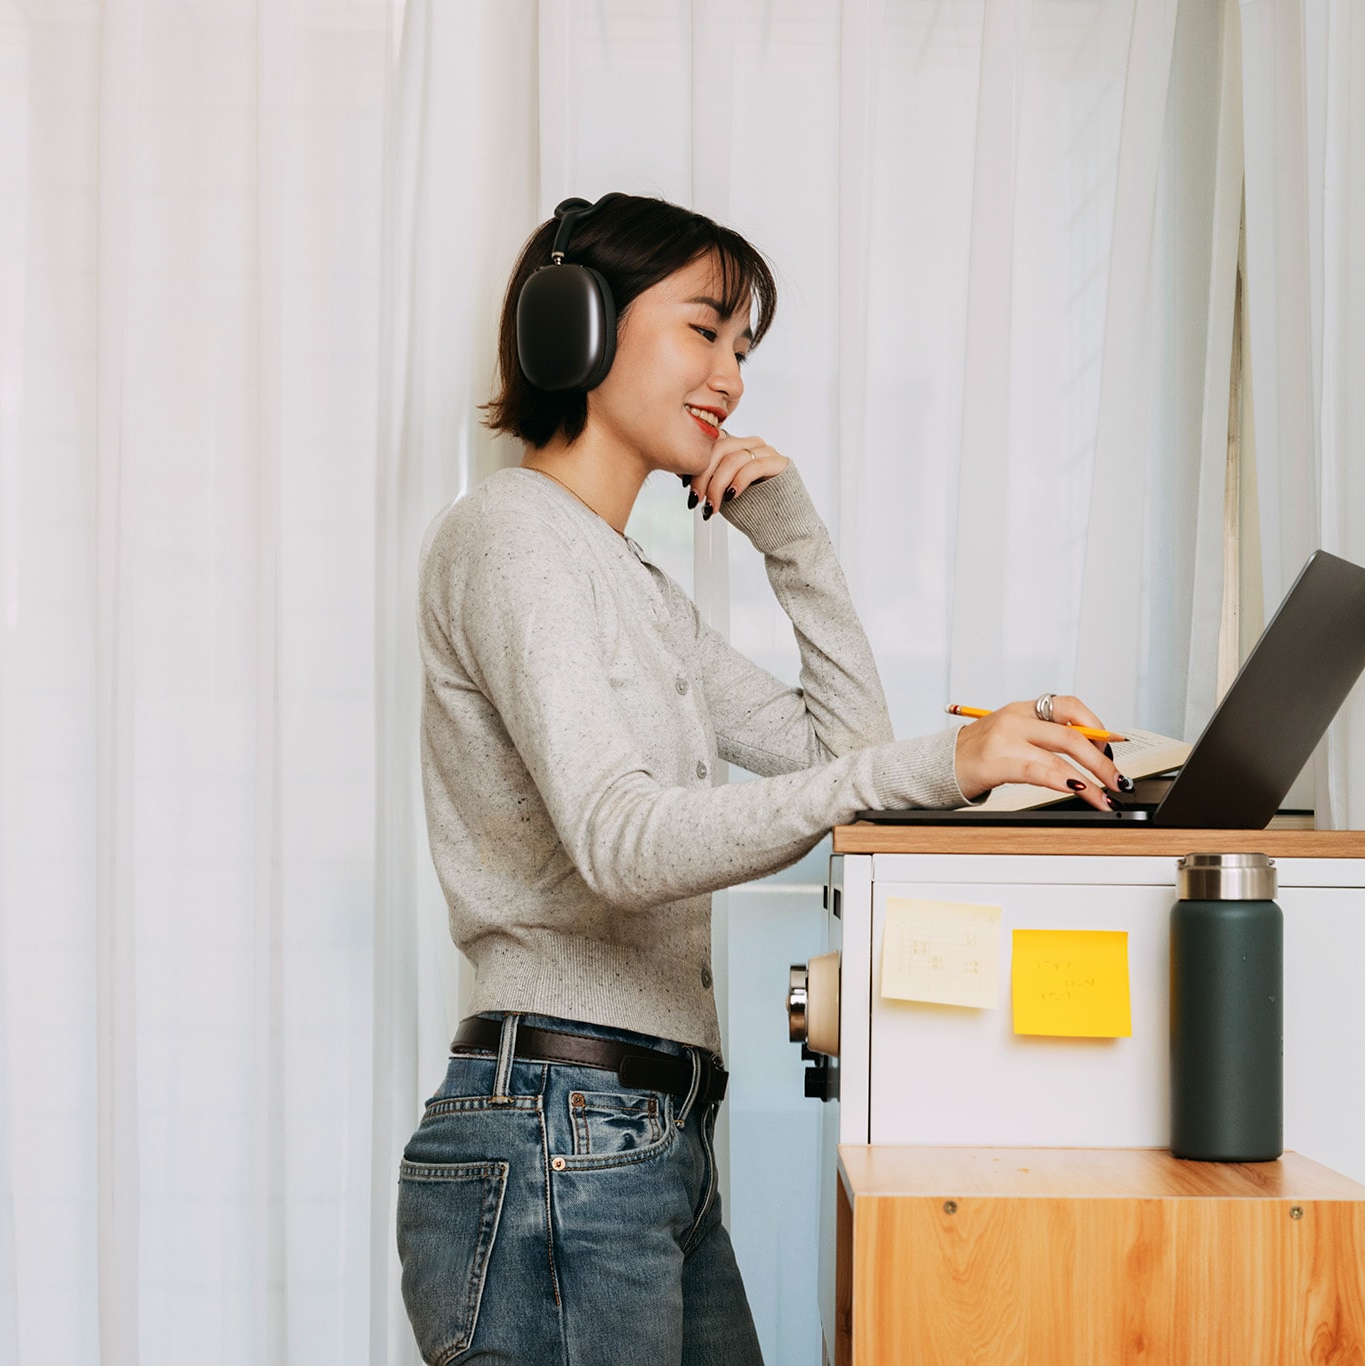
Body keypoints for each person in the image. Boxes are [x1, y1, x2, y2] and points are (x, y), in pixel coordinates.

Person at [397, 193, 1129, 1366]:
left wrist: (787, 530)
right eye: (704, 330)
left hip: (642, 1140)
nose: (730, 378)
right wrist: (947, 761)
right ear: (574, 327)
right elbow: (623, 844)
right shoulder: (509, 539)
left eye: (742, 349)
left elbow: (846, 754)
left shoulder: (631, 586)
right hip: (558, 1138)